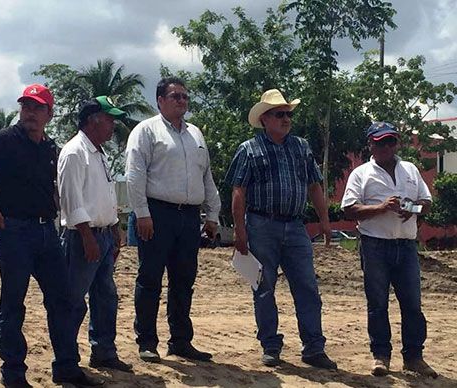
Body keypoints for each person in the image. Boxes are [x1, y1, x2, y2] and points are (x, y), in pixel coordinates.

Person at [0, 84, 102, 387]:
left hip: (46, 233)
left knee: (62, 301)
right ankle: (13, 374)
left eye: (38, 108)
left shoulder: (50, 147)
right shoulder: (4, 140)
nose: (30, 113)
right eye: (26, 106)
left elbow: (51, 187)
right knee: (14, 304)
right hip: (13, 232)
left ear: (49, 114)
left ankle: (66, 366)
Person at [225, 89, 337, 370]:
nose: (286, 118)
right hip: (261, 224)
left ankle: (313, 347)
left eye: (288, 113)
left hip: (295, 225)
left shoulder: (301, 147)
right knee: (264, 288)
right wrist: (240, 231)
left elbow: (314, 186)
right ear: (264, 119)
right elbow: (238, 192)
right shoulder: (248, 149)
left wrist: (325, 222)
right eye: (280, 114)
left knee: (308, 288)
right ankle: (271, 346)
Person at [125, 77, 221, 363]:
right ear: (160, 101)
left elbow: (207, 176)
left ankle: (180, 341)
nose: (182, 101)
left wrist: (213, 213)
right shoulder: (146, 131)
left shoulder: (196, 134)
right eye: (175, 96)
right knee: (150, 279)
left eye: (184, 97)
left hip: (189, 216)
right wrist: (142, 213)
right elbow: (134, 175)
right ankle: (147, 342)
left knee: (183, 281)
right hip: (157, 214)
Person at [341, 122, 438, 378]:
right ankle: (380, 355)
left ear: (396, 144)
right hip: (375, 245)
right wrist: (381, 207)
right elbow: (349, 209)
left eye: (390, 142)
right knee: (377, 304)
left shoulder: (410, 170)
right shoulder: (361, 174)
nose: (386, 147)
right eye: (380, 142)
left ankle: (414, 357)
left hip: (406, 246)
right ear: (370, 144)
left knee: (413, 305)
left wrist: (412, 209)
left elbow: (426, 202)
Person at [58, 96, 132, 375]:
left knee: (105, 296)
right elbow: (71, 199)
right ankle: (66, 359)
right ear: (93, 120)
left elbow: (105, 197)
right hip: (82, 238)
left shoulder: (97, 152)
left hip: (102, 236)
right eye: (109, 119)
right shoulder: (75, 152)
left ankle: (103, 351)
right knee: (74, 302)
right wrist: (87, 236)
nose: (113, 125)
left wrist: (114, 228)